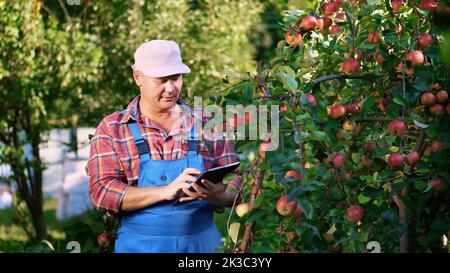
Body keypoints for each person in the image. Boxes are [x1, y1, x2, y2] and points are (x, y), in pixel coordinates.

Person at [86, 40, 242, 253]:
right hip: (139, 246)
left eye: (176, 78)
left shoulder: (206, 122)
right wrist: (165, 191)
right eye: (161, 80)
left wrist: (217, 194)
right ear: (137, 76)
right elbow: (102, 191)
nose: (171, 88)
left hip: (203, 246)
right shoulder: (113, 128)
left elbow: (239, 181)